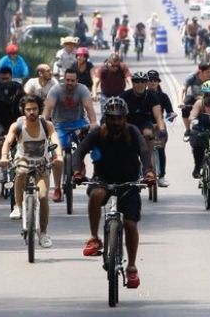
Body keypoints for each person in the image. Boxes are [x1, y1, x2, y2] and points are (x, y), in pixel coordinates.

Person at [73, 96, 154, 289]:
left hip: (129, 183)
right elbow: (80, 151)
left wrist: (149, 172)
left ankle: (132, 267)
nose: (116, 122)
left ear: (125, 118)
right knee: (96, 195)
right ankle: (94, 238)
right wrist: (77, 171)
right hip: (103, 180)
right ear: (106, 118)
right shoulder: (98, 133)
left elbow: (144, 152)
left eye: (119, 118)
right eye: (112, 118)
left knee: (129, 224)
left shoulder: (132, 132)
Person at [0, 95, 60, 248]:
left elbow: (56, 141)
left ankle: (44, 233)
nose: (31, 112)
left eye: (34, 109)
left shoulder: (47, 125)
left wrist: (58, 156)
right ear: (23, 111)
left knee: (44, 196)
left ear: (39, 109)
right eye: (28, 109)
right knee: (20, 172)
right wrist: (4, 157)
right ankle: (18, 207)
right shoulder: (17, 126)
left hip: (41, 165)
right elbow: (7, 142)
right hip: (23, 161)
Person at [43, 68, 98, 202]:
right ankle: (57, 188)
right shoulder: (56, 90)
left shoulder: (82, 89)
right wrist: (44, 124)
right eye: (67, 80)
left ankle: (97, 176)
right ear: (64, 79)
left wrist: (94, 123)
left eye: (73, 81)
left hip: (79, 123)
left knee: (94, 144)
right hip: (59, 125)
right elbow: (48, 108)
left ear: (77, 81)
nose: (70, 83)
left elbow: (89, 107)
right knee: (57, 156)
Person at [0, 67, 25, 190]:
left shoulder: (21, 95)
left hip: (17, 122)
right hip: (1, 124)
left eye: (7, 79)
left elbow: (28, 112)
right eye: (2, 79)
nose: (5, 82)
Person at [120, 71, 166, 163]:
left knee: (148, 134)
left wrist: (162, 130)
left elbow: (158, 116)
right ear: (132, 83)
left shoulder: (152, 96)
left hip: (144, 123)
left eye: (143, 82)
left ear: (146, 83)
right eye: (137, 81)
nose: (140, 84)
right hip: (128, 123)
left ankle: (148, 163)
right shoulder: (125, 96)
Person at [147, 70, 176, 187]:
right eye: (150, 80)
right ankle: (140, 173)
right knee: (141, 149)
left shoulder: (163, 96)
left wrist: (172, 115)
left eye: (155, 80)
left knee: (160, 149)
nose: (153, 82)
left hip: (159, 127)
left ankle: (162, 176)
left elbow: (170, 112)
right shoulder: (142, 96)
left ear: (158, 82)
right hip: (145, 126)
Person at [179, 62, 210, 133]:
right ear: (200, 72)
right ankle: (187, 130)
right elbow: (182, 89)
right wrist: (181, 101)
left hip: (209, 99)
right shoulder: (192, 77)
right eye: (207, 72)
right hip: (194, 98)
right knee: (185, 108)